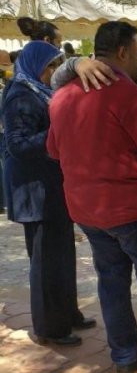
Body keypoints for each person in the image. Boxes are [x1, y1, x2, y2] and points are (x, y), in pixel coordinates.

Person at [47, 21, 137, 373]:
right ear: (124, 52)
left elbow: (52, 148)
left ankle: (125, 357)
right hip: (136, 208)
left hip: (87, 209)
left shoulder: (62, 96)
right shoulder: (130, 96)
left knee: (110, 281)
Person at [1, 41, 94, 345]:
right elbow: (17, 145)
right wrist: (58, 133)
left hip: (53, 189)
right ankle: (50, 329)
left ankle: (68, 314)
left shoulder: (39, 92)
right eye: (49, 66)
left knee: (63, 255)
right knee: (45, 263)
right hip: (35, 194)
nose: (52, 72)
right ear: (35, 64)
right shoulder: (20, 96)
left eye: (56, 66)